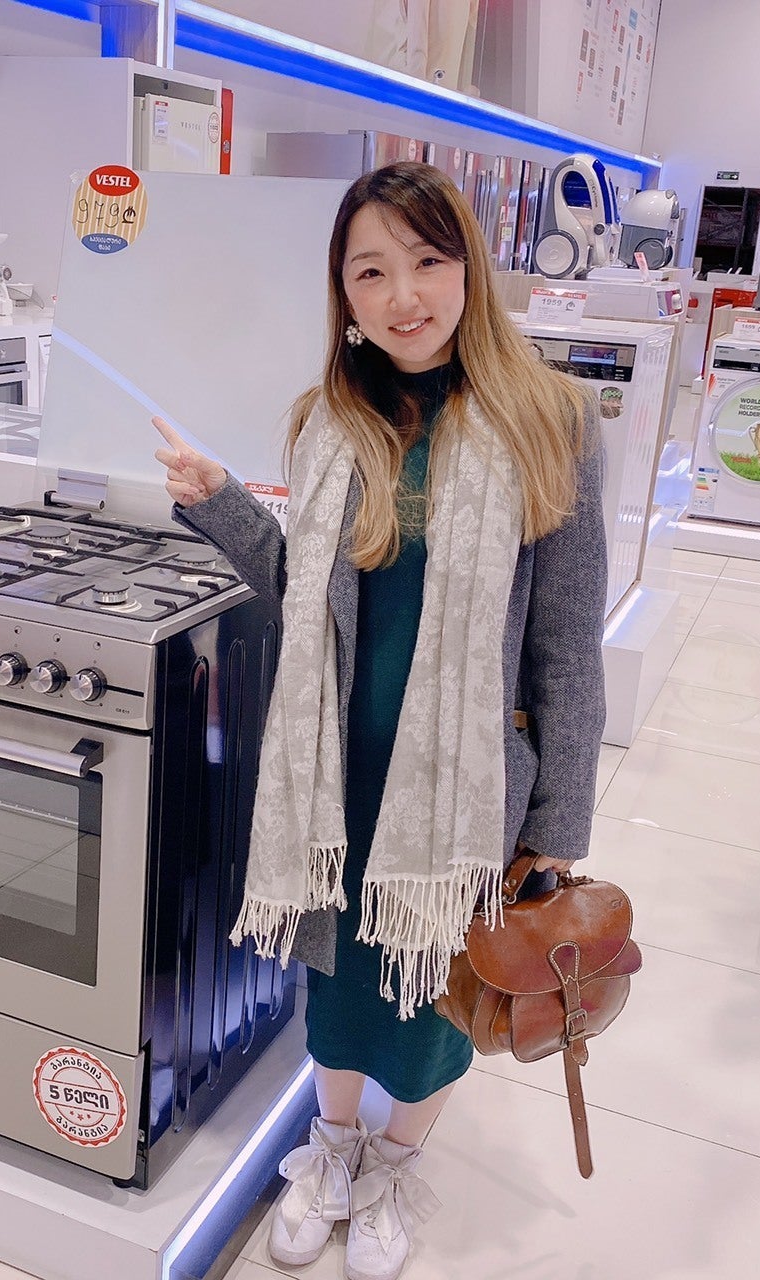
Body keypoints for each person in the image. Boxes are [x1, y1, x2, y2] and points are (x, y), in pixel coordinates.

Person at [153, 161, 606, 1280]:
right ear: (343, 293)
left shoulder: (550, 420)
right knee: (340, 980)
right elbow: (309, 590)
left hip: (464, 783)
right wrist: (219, 503)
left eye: (426, 261)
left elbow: (565, 641)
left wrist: (556, 823)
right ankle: (332, 1148)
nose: (403, 294)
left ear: (469, 269)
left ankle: (395, 1163)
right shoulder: (328, 421)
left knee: (434, 991)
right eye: (371, 271)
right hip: (334, 776)